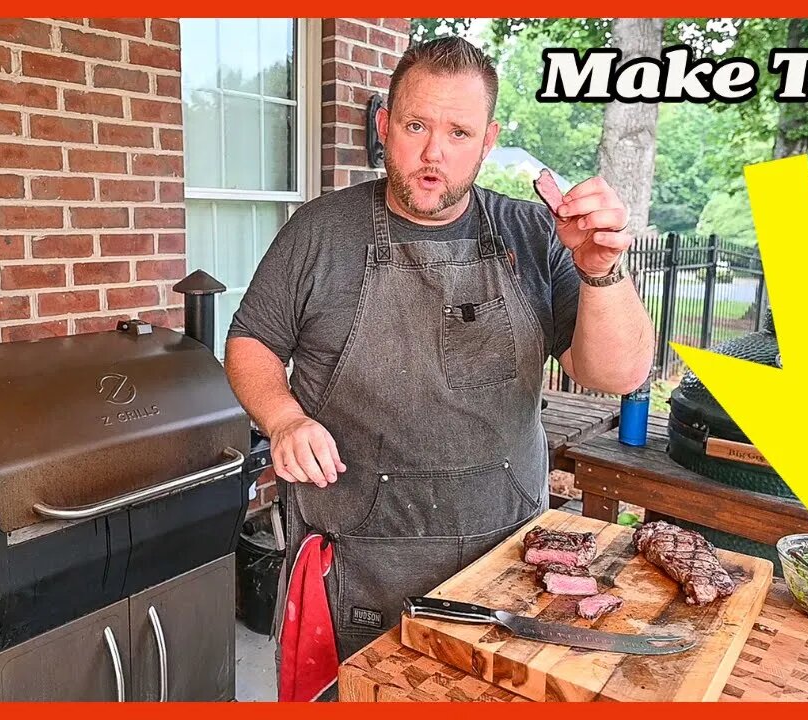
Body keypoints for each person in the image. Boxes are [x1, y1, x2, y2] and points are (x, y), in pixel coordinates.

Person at [224, 35, 655, 687]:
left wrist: (600, 270)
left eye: (458, 132)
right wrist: (283, 418)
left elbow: (617, 374)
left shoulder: (533, 234)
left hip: (507, 563)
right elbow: (250, 340)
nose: (433, 154)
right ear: (383, 125)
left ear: (488, 140)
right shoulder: (319, 233)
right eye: (415, 125)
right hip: (360, 571)